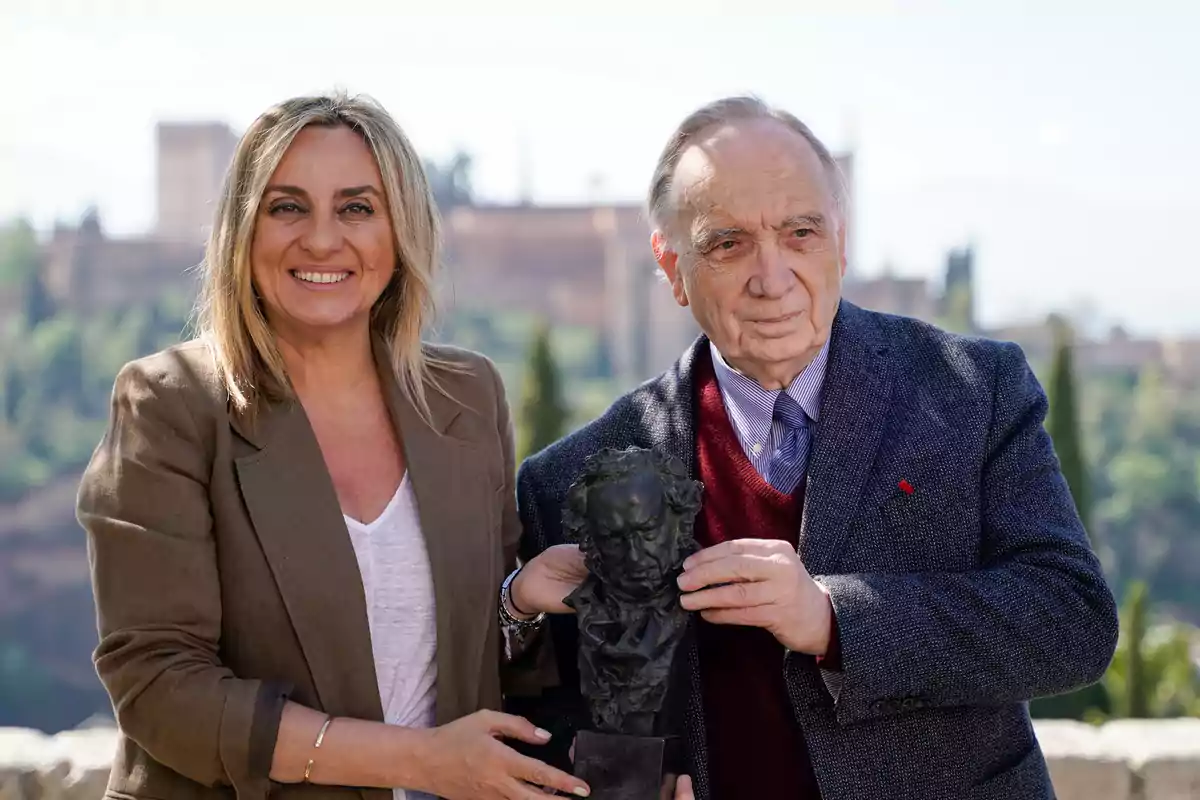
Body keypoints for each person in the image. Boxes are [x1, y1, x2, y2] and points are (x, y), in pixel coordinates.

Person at [508, 96, 1120, 800]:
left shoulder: (973, 393)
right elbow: (555, 724)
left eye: (800, 233)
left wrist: (835, 617)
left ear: (841, 240)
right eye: (728, 243)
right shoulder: (567, 479)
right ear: (671, 266)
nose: (772, 278)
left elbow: (1072, 622)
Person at [76, 92, 593, 800]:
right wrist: (418, 761)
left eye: (356, 208)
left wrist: (517, 601)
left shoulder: (466, 398)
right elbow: (162, 689)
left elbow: (470, 663)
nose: (322, 239)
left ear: (399, 231)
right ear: (243, 231)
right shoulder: (169, 405)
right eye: (287, 206)